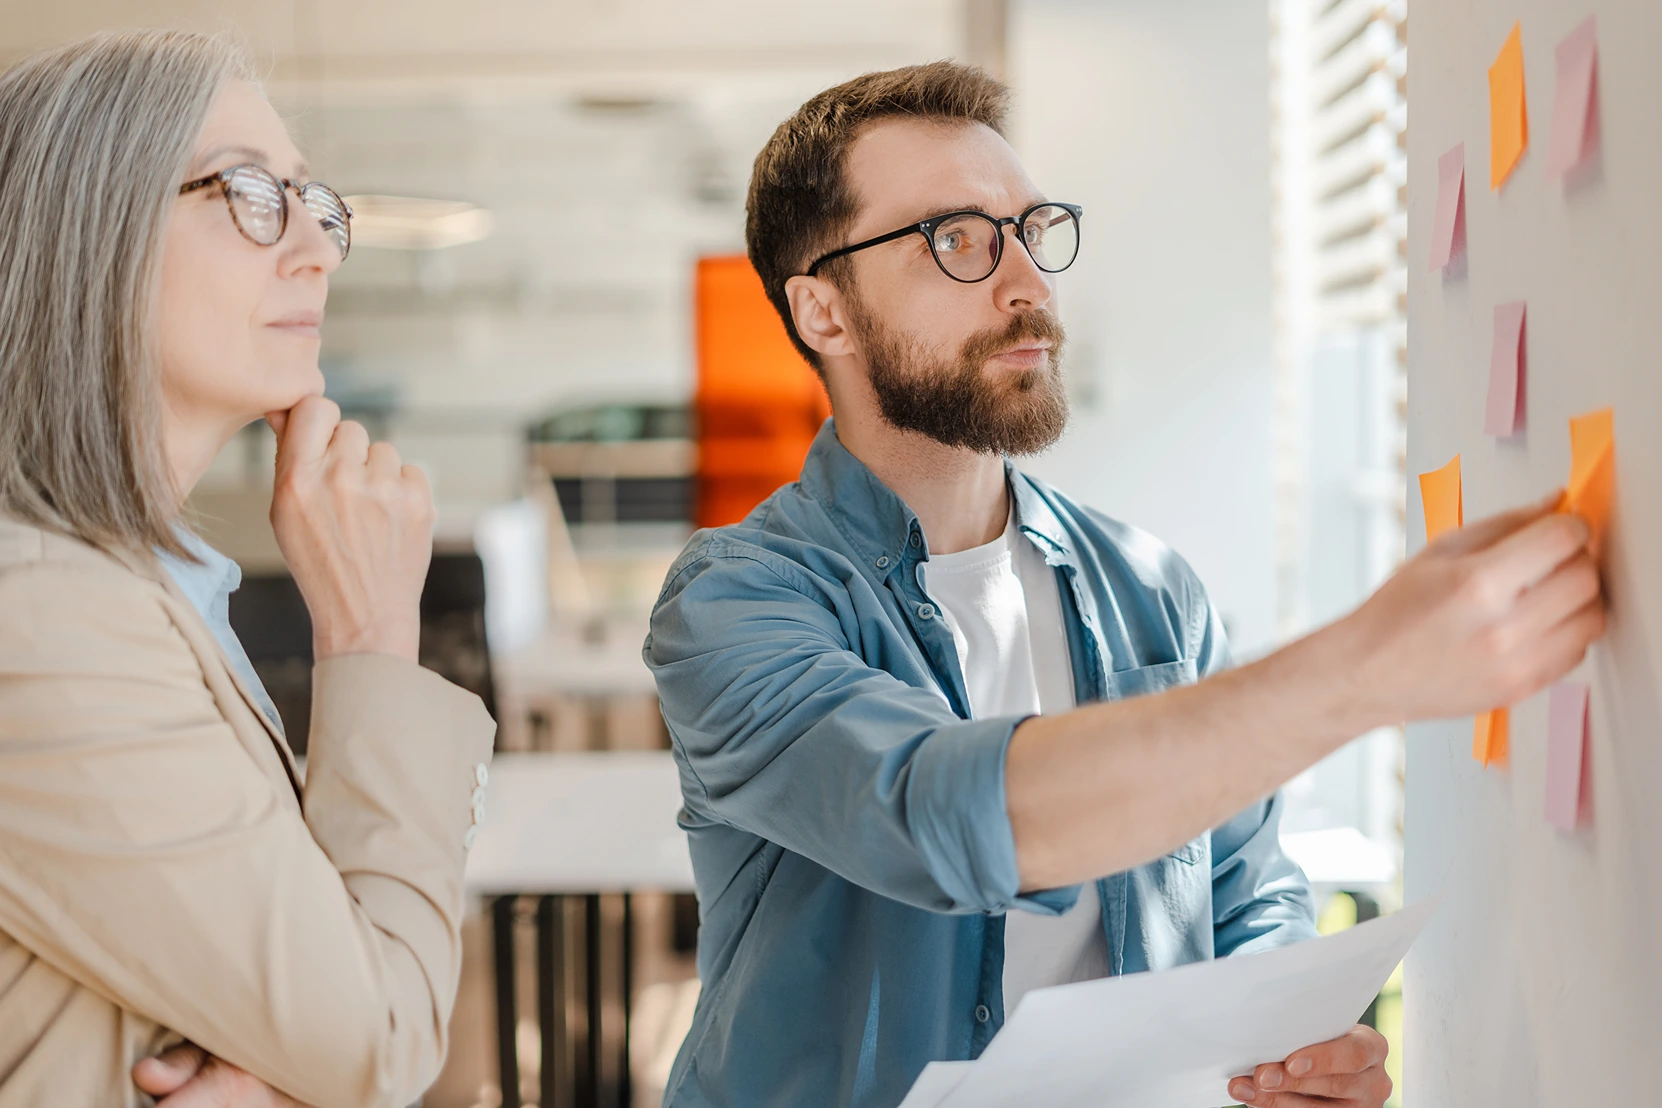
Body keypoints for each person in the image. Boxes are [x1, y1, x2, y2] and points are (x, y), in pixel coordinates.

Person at [643, 62, 1604, 1108]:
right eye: (956, 241)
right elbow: (940, 811)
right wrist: (1365, 667)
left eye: (1031, 228)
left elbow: (1246, 884)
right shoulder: (732, 604)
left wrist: (1288, 1044)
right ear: (823, 311)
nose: (1027, 284)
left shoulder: (1148, 585)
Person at [0, 30, 496, 1108]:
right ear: (96, 233)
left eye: (314, 205)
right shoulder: (39, 616)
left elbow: (319, 1001)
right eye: (248, 194)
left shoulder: (131, 590)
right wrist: (369, 638)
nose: (315, 250)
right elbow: (380, 1036)